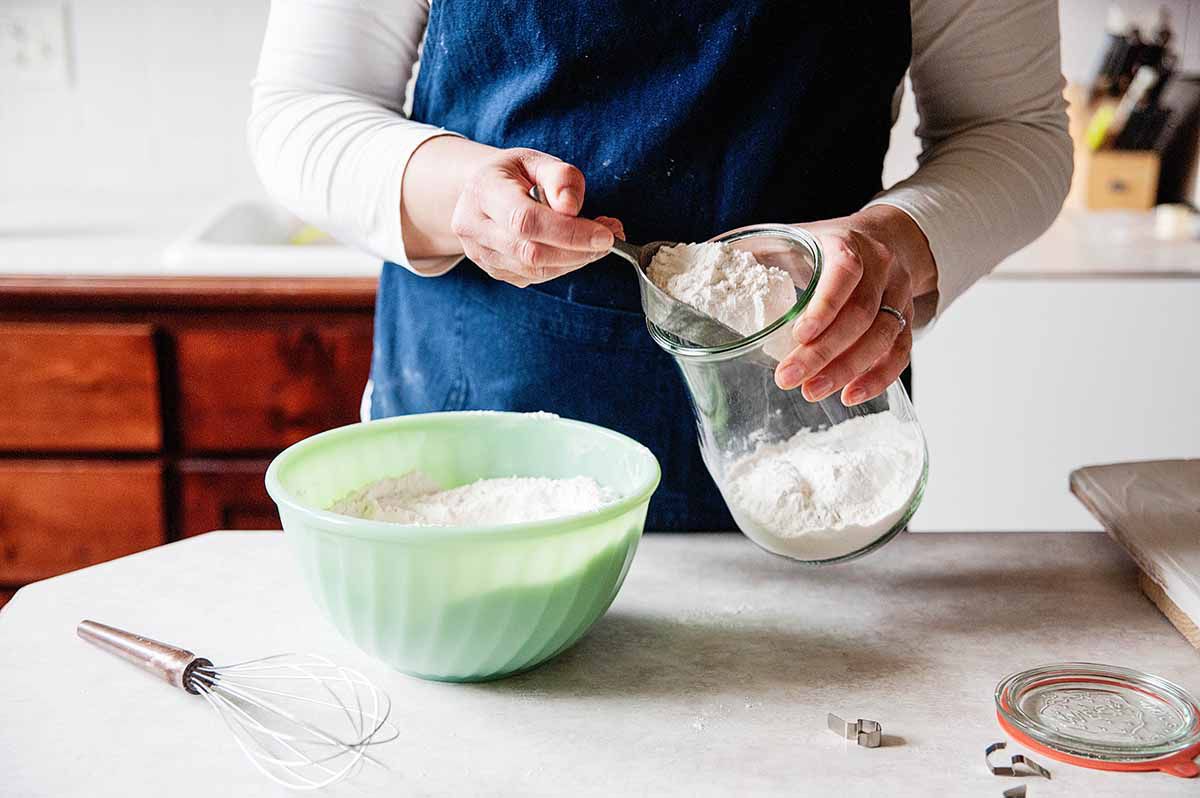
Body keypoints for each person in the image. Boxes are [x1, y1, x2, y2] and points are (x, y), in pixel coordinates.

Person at [249, 0, 1072, 530]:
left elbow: (1014, 129)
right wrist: (457, 190)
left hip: (805, 453)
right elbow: (301, 109)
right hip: (472, 446)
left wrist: (896, 241)